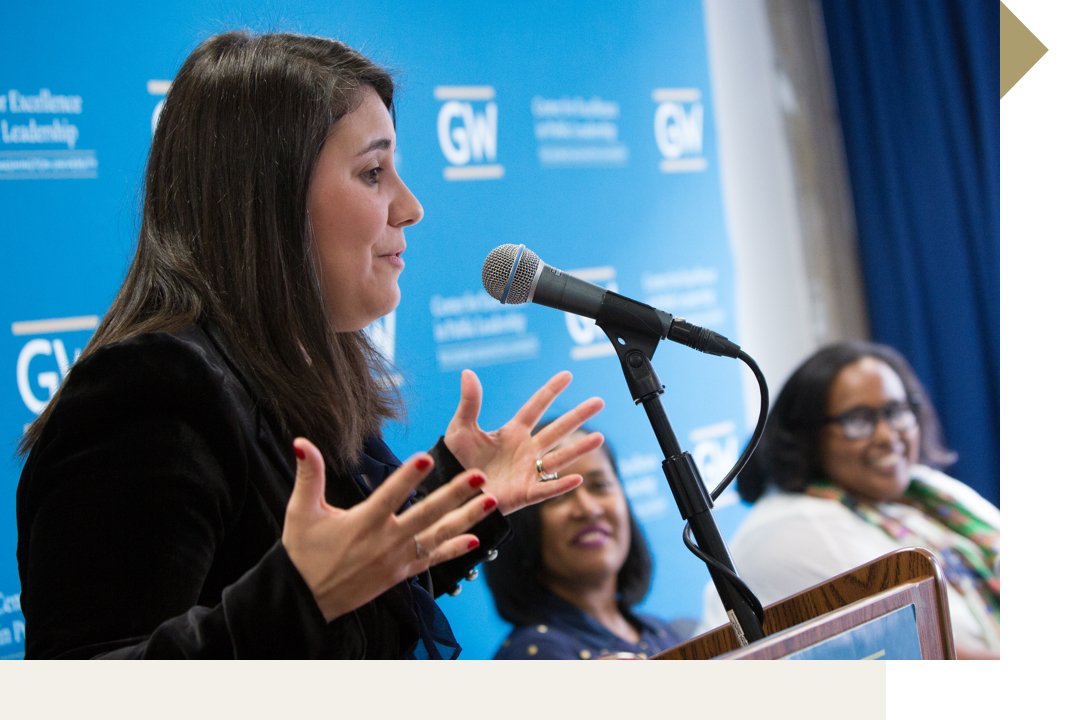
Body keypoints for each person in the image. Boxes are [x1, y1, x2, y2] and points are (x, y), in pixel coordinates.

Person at [15, 31, 606, 659]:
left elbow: (349, 610)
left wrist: (452, 498)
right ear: (268, 197)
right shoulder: (152, 391)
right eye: (373, 172)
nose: (410, 207)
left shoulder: (292, 371)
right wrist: (299, 595)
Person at [699, 341, 1000, 659]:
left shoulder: (925, 490)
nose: (887, 435)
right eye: (859, 420)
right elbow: (926, 648)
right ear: (807, 434)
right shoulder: (798, 529)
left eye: (896, 412)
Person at [484, 429, 683, 659]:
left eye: (600, 486)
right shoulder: (532, 655)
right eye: (557, 495)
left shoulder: (658, 630)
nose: (589, 509)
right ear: (522, 524)